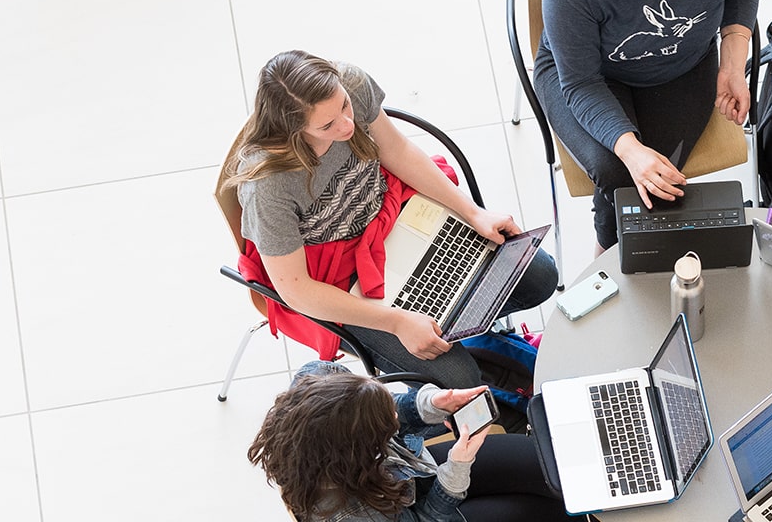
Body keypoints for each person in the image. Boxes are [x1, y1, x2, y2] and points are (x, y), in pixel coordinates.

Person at [227, 50, 559, 390]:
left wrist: (473, 213)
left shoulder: (350, 81)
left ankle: (462, 330)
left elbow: (396, 150)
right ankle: (458, 337)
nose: (347, 125)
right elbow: (296, 291)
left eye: (344, 105)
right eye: (327, 125)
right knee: (458, 378)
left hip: (397, 216)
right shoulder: (267, 186)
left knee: (541, 277)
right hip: (341, 278)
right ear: (292, 128)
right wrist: (398, 322)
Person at [532, 0, 761, 250]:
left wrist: (733, 66)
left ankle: (619, 258)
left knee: (657, 184)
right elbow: (581, 82)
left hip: (681, 67)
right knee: (616, 172)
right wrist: (632, 151)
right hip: (588, 74)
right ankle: (608, 256)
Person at [249, 361, 578, 521]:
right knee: (553, 512)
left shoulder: (318, 383)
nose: (395, 417)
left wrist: (432, 404)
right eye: (384, 425)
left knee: (552, 464)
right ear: (358, 451)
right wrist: (457, 469)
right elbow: (426, 519)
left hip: (409, 474)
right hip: (417, 512)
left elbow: (367, 402)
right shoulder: (353, 514)